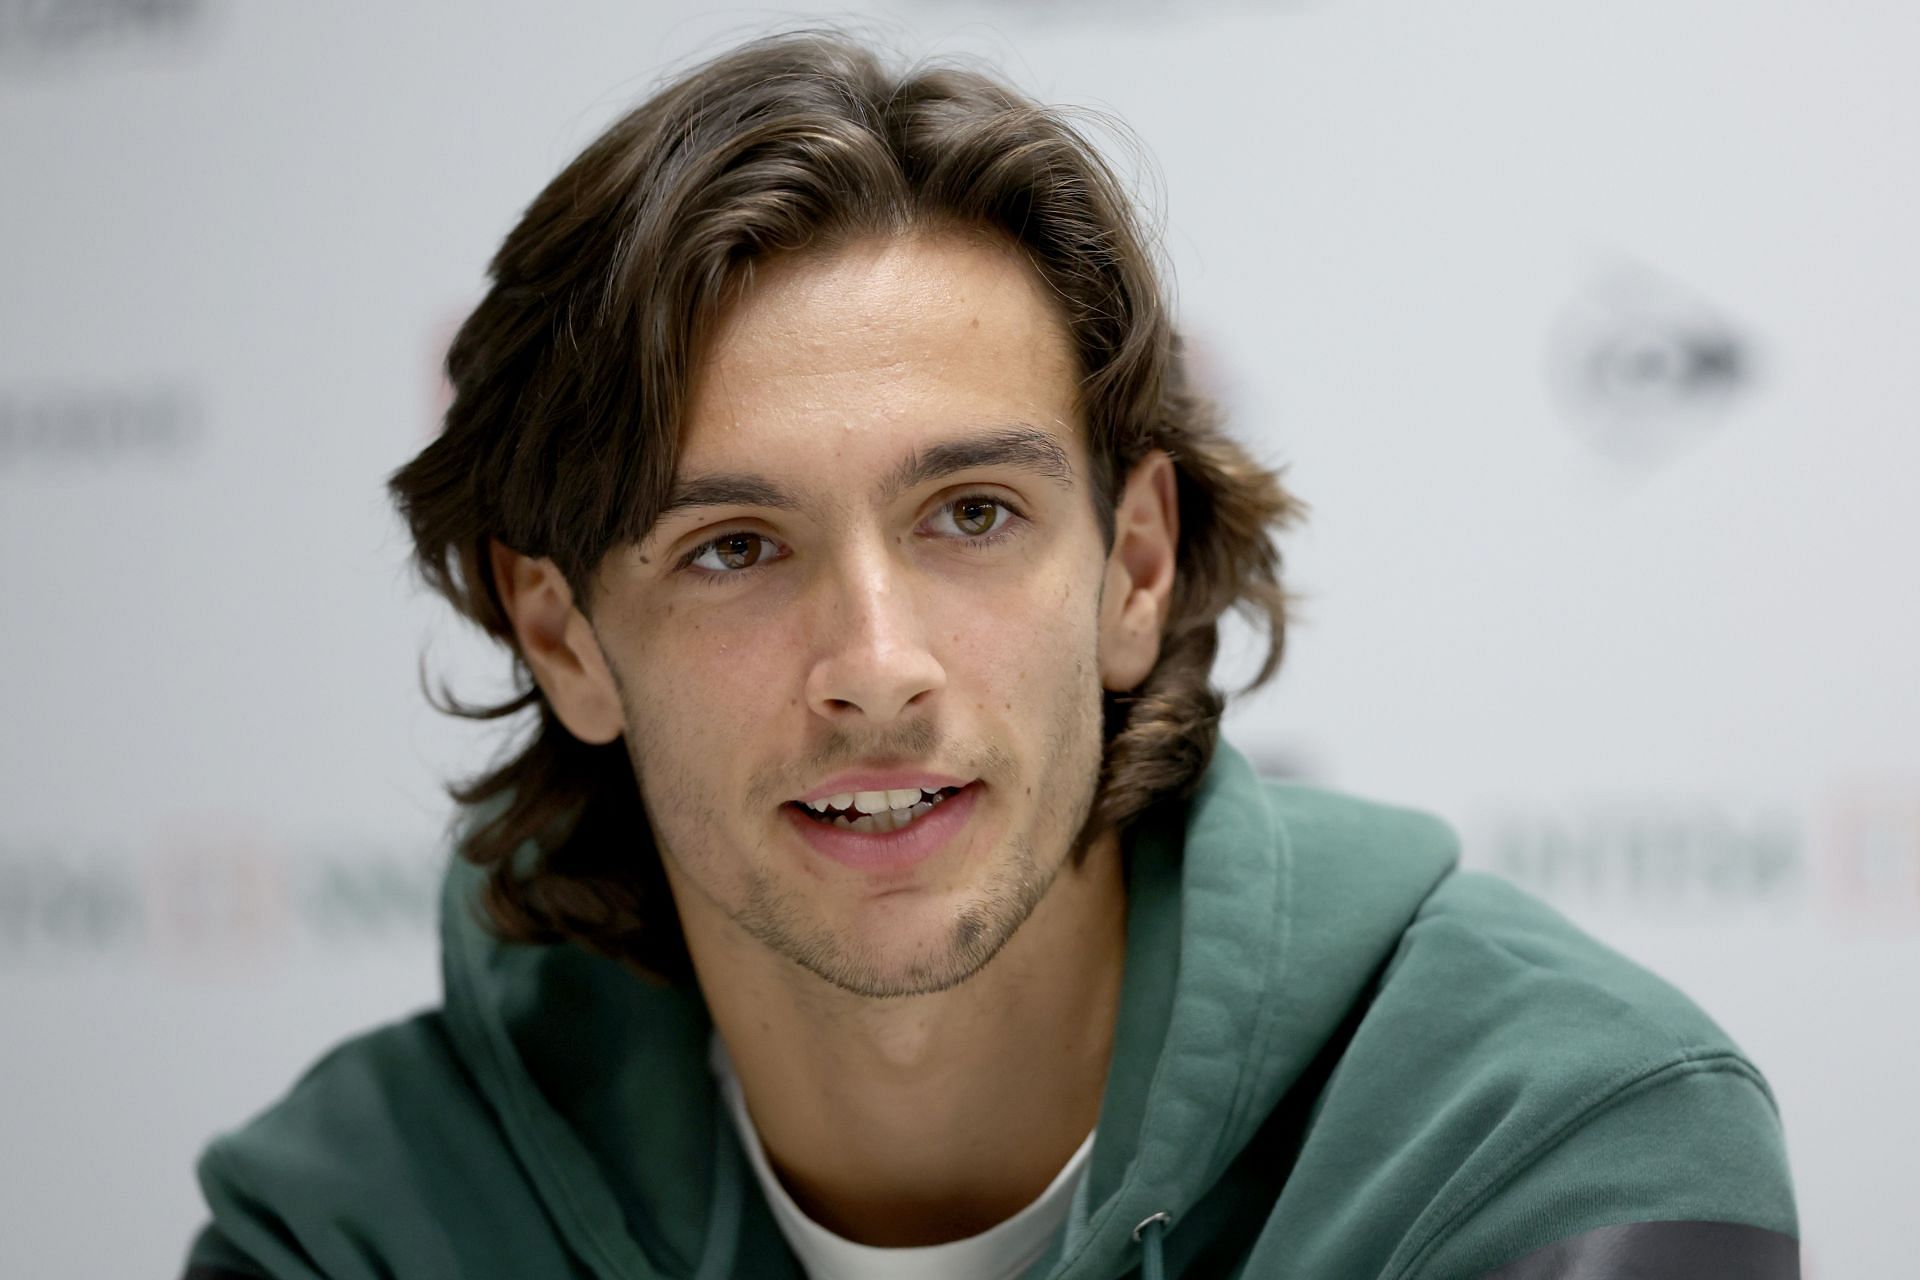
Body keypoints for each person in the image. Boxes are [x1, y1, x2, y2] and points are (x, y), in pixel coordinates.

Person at [180, 31, 1798, 1280]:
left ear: (1137, 563)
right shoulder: (357, 1222)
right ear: (564, 636)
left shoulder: (1550, 1132)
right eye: (735, 550)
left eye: (969, 516)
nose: (874, 667)